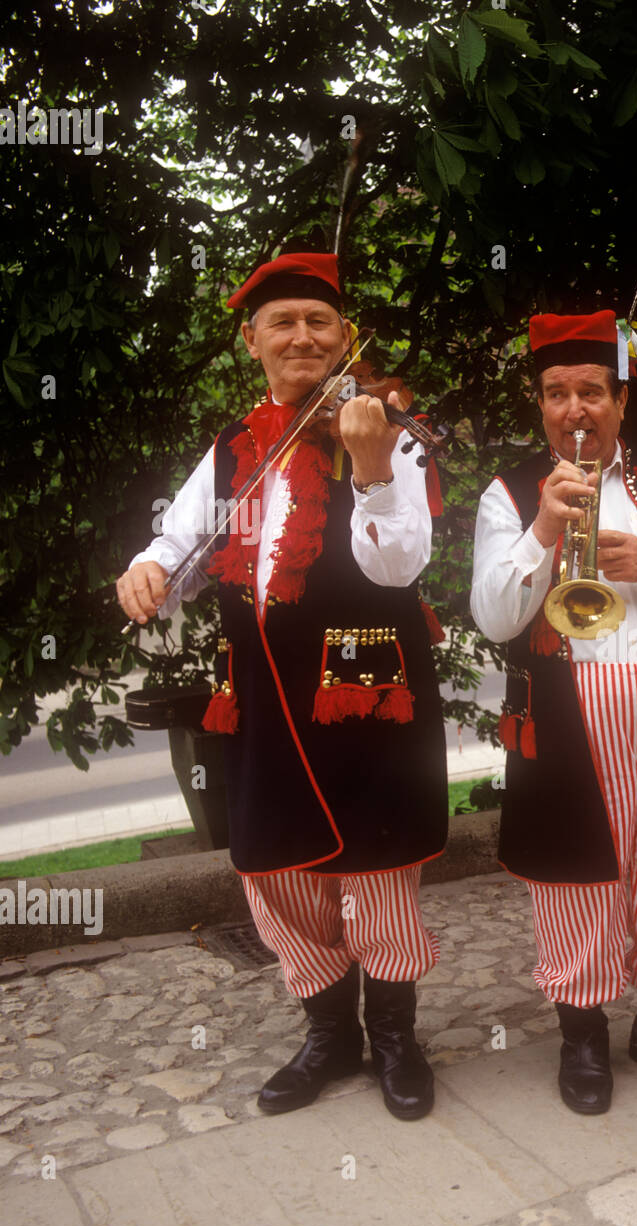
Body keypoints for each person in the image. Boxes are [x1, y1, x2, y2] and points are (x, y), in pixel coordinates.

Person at [116, 252, 448, 1121]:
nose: (302, 337)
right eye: (282, 323)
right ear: (251, 341)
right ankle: (330, 1037)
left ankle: (399, 1039)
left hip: (366, 688)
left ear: (345, 337)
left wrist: (371, 467)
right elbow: (179, 544)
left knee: (376, 870)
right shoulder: (232, 449)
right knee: (277, 871)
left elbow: (401, 563)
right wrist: (147, 570)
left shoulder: (386, 431)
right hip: (263, 699)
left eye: (319, 322)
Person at [470, 310, 637, 1115]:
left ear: (622, 402)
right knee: (574, 879)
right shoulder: (510, 493)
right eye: (556, 394)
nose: (574, 409)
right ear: (540, 405)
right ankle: (582, 1034)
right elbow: (493, 616)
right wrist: (544, 528)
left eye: (591, 391)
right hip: (565, 718)